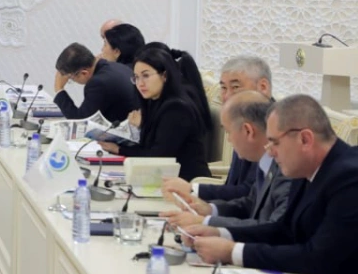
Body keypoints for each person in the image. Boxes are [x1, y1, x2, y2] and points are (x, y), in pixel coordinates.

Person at [186, 95, 358, 274]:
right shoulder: (310, 168)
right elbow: (284, 230)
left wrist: (232, 252)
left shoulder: (356, 180)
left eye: (274, 142)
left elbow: (316, 258)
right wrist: (220, 233)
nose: (269, 152)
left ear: (305, 139)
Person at [160, 91, 294, 230]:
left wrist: (206, 222)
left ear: (248, 131)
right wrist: (210, 209)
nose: (229, 140)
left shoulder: (287, 170)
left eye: (228, 132)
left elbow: (274, 228)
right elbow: (250, 204)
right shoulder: (266, 163)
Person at [162, 55, 273, 203]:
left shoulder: (272, 128)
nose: (227, 96)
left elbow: (250, 192)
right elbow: (233, 184)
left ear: (263, 87)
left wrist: (193, 189)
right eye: (223, 88)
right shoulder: (241, 118)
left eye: (235, 87)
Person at [97, 47, 210, 181]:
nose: (140, 83)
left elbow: (157, 156)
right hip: (162, 178)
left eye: (146, 76)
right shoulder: (154, 101)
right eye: (136, 77)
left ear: (164, 76)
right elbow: (150, 146)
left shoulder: (177, 108)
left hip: (186, 183)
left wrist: (119, 149)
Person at [52, 42, 139, 122]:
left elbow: (81, 121)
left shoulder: (98, 84)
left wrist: (59, 89)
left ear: (84, 73)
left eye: (71, 78)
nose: (73, 81)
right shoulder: (116, 66)